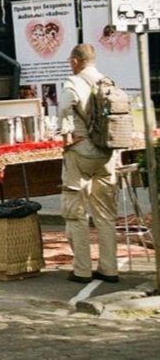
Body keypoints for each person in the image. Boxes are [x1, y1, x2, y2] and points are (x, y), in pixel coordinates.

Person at [58, 44, 119, 284]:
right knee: (105, 215)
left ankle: (82, 269)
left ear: (75, 61)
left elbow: (64, 107)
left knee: (76, 212)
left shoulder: (73, 82)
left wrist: (67, 135)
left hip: (81, 152)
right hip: (106, 154)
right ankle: (110, 269)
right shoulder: (108, 82)